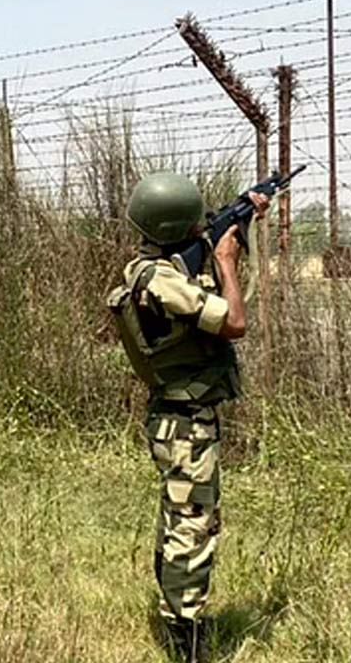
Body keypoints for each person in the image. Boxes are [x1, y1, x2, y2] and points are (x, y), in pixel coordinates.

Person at [107, 172, 268, 662]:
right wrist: (225, 260)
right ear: (180, 224)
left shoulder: (155, 271)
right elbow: (234, 322)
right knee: (192, 526)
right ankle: (187, 637)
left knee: (182, 518)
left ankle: (178, 613)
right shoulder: (160, 281)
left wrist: (239, 228)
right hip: (185, 423)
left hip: (178, 417)